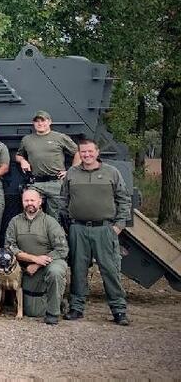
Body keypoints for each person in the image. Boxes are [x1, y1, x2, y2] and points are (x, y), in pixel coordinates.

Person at [62, 139, 132, 326]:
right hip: (78, 228)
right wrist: (69, 226)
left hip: (104, 229)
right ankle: (76, 307)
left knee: (110, 270)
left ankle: (118, 310)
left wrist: (118, 226)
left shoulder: (111, 172)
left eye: (90, 151)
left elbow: (124, 199)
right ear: (79, 153)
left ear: (97, 152)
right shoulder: (72, 173)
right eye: (83, 152)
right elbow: (63, 200)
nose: (87, 155)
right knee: (78, 270)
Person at [5, 188, 69, 324]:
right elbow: (10, 247)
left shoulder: (50, 222)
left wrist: (38, 263)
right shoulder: (15, 222)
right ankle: (58, 302)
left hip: (48, 264)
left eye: (32, 200)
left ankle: (53, 313)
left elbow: (62, 249)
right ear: (22, 202)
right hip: (25, 268)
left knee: (56, 271)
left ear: (40, 202)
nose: (29, 203)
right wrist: (32, 259)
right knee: (33, 312)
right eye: (26, 200)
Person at [15, 110, 79, 220]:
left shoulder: (60, 137)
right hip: (36, 183)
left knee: (56, 217)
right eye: (37, 121)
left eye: (43, 120)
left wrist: (71, 171)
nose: (40, 123)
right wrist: (22, 161)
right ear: (33, 123)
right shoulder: (27, 139)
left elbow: (78, 152)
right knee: (30, 211)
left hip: (56, 183)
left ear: (49, 122)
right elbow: (18, 155)